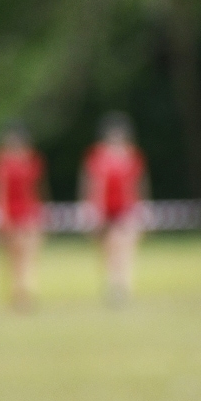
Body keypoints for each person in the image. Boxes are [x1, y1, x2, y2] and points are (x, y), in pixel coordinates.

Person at [81, 112, 147, 307]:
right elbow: (91, 183)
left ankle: (122, 284)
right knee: (108, 250)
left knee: (124, 247)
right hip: (104, 210)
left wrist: (140, 208)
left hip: (126, 209)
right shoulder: (97, 157)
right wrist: (91, 208)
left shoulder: (132, 156)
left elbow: (138, 184)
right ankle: (112, 283)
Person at [0, 122, 45, 312]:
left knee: (27, 254)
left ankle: (25, 291)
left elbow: (37, 189)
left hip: (28, 213)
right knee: (11, 257)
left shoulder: (31, 162)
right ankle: (16, 292)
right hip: (7, 214)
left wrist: (39, 214)